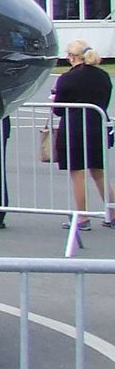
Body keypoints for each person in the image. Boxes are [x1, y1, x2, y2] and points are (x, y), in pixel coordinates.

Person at [51, 39, 114, 237]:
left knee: (77, 173)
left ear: (72, 56)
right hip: (97, 125)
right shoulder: (103, 76)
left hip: (74, 128)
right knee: (99, 172)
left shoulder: (67, 79)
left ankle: (82, 216)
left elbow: (59, 110)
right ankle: (112, 213)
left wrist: (54, 100)